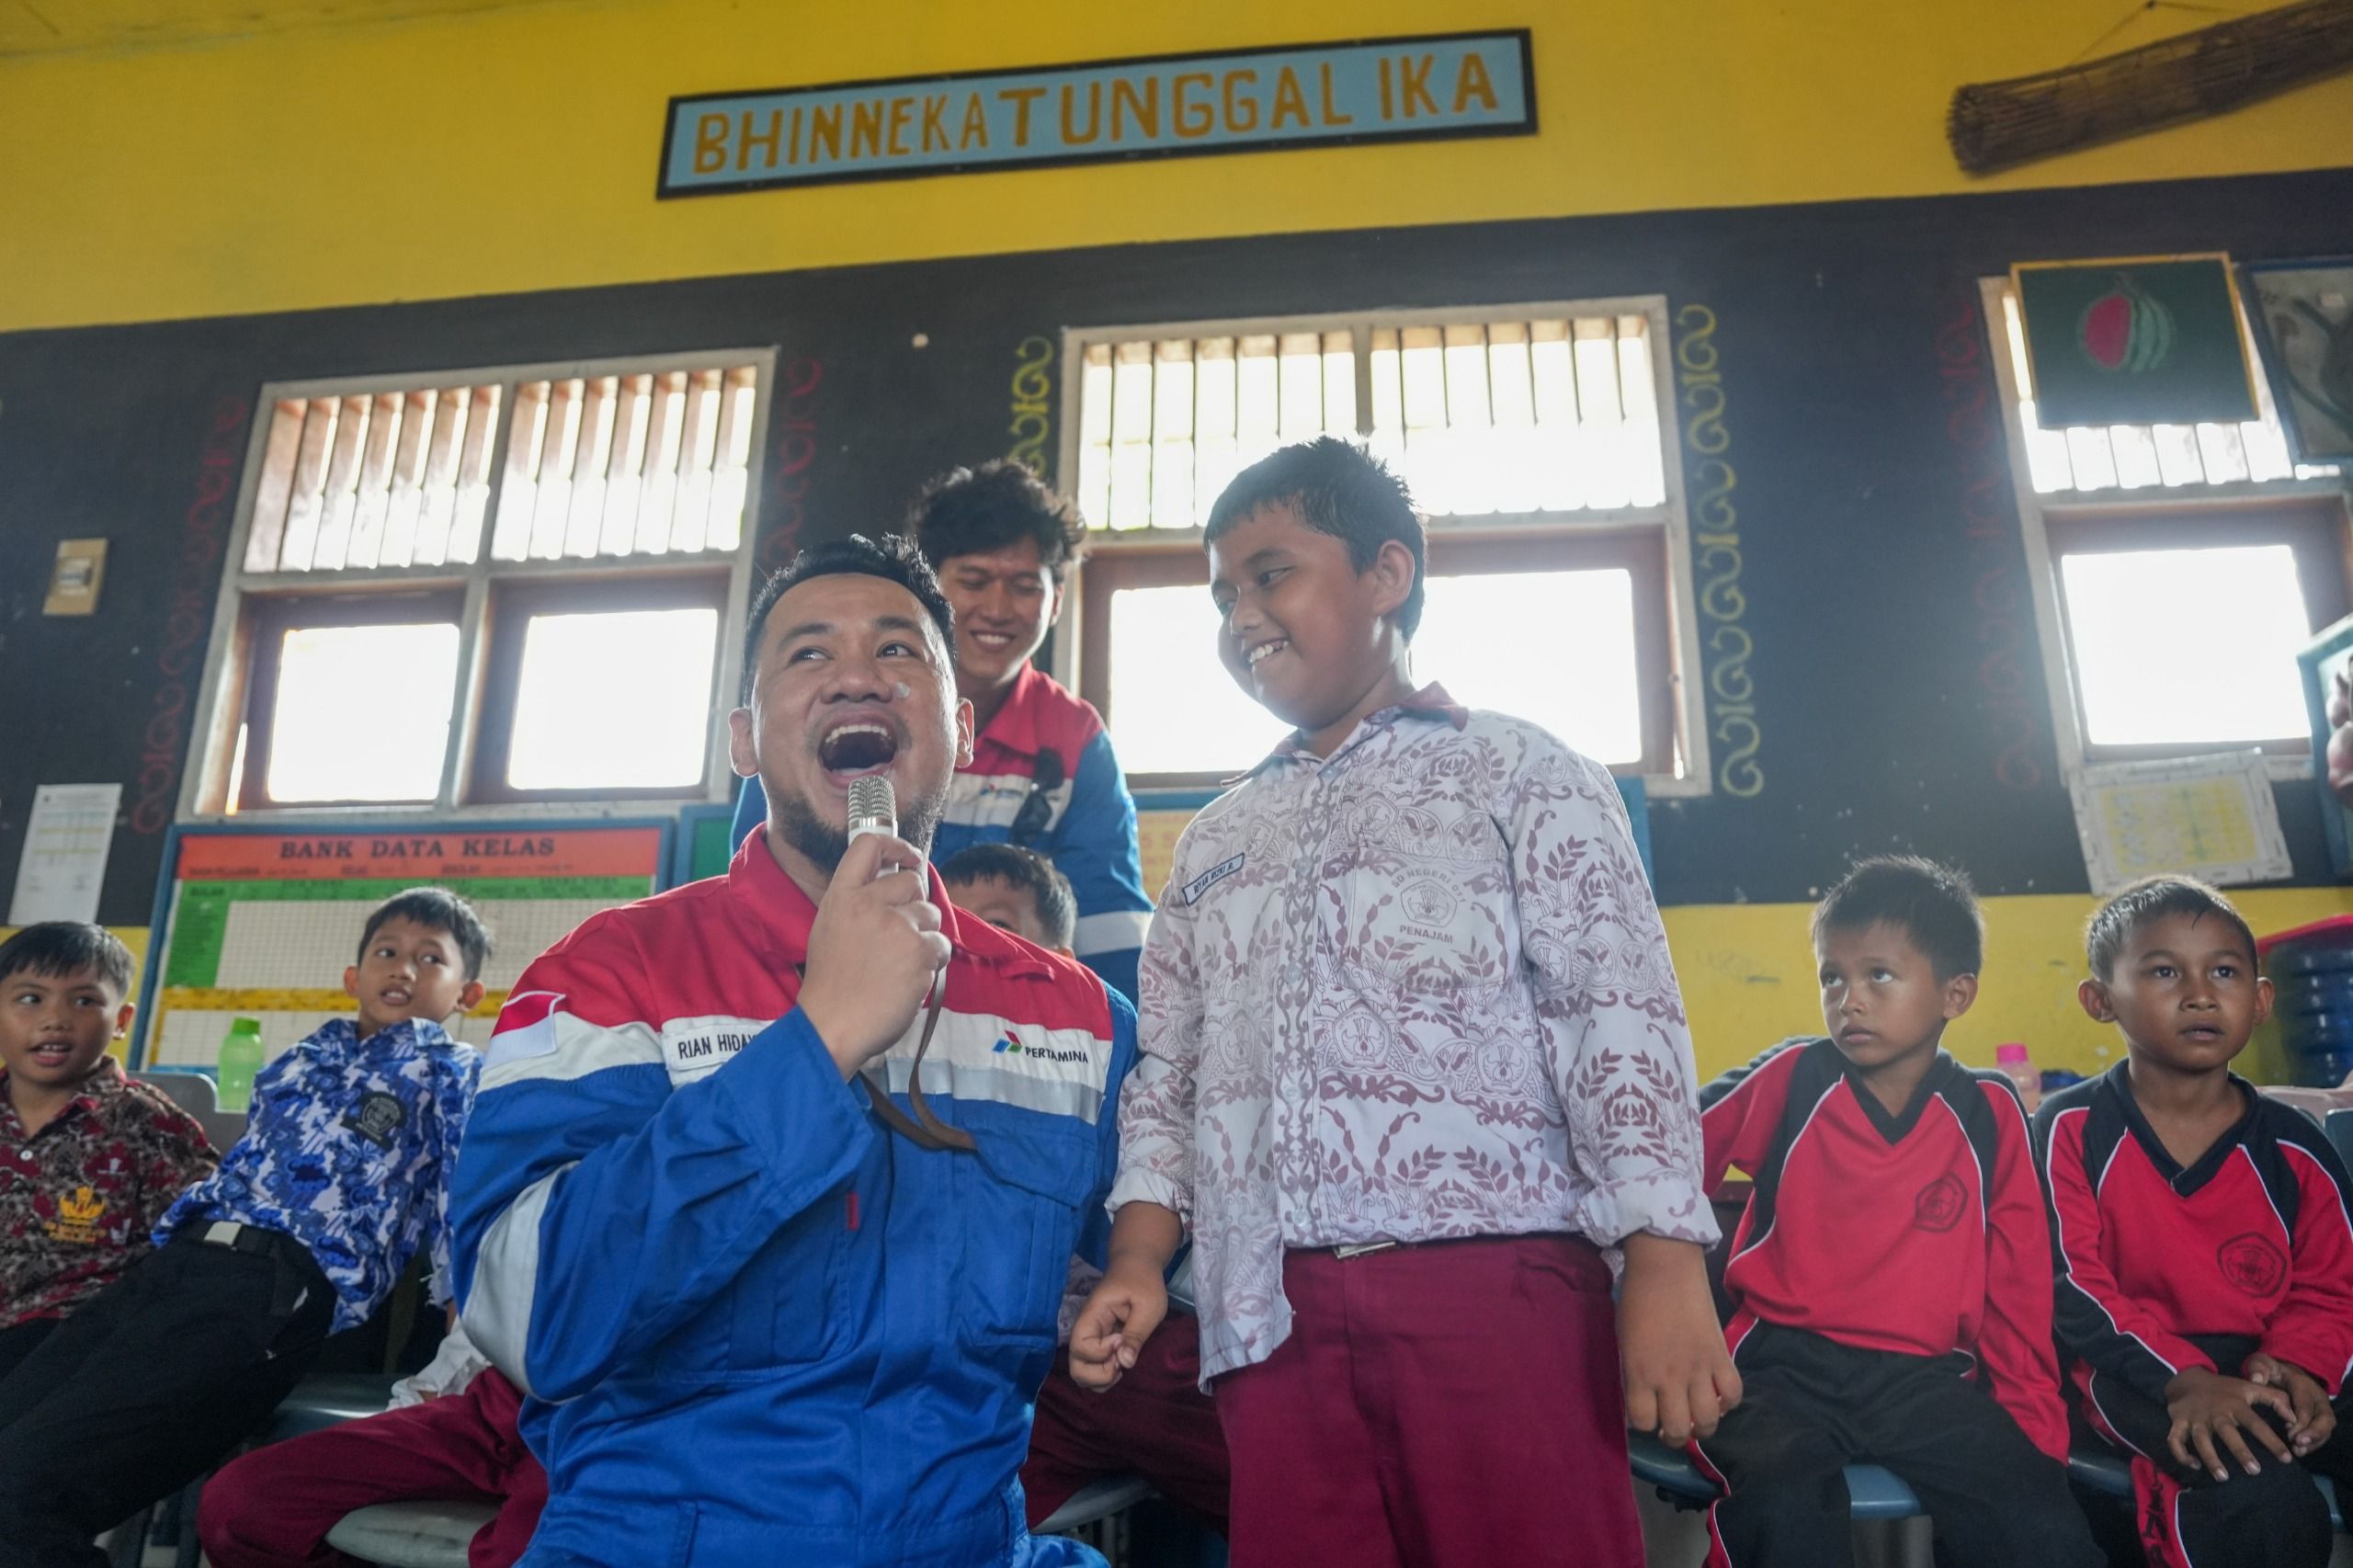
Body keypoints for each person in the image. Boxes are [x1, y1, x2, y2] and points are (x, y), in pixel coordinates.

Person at [1067, 437, 1733, 1568]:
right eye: (1222, 592)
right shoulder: (1218, 838)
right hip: (1260, 1311)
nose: (1241, 614)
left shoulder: (1522, 772)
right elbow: (1168, 1073)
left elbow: (1614, 1015)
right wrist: (1139, 1256)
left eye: (1271, 573)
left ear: (1387, 572)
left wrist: (1664, 1261)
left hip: (1495, 1291)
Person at [451, 534, 1136, 1568]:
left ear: (956, 728)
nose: (858, 674)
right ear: (743, 738)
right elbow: (529, 1312)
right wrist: (815, 1044)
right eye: (808, 655)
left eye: (900, 652)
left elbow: (1165, 1252)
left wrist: (1116, 1285)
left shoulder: (1078, 1016)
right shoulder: (611, 973)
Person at [0, 888, 488, 1568]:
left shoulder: (454, 1074)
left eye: (430, 959)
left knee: (25, 1491)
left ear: (468, 993)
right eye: (386, 953)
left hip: (273, 1283)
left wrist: (460, 1345)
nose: (402, 970)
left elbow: (460, 1208)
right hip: (178, 1263)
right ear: (353, 978)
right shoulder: (299, 1062)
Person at [1688, 858, 2099, 1568]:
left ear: (1956, 993)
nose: (1849, 999)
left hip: (1927, 1381)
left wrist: (2033, 1425)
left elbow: (2018, 1282)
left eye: (1879, 975)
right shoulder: (1792, 1078)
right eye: (1832, 976)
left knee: (2036, 1520)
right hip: (1777, 1370)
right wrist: (1675, 1339)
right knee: (1784, 1506)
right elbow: (1662, 1161)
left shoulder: (1990, 1112)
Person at [733, 462, 1153, 1001]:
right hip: (821, 1001)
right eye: (974, 581)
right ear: (928, 586)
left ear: (1057, 601)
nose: (997, 610)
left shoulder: (1074, 738)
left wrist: (1109, 1054)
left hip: (1011, 1028)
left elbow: (1110, 927)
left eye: (1024, 586)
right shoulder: (822, 719)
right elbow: (759, 885)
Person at [2039, 876, 2353, 1568]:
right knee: (2255, 1491)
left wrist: (2303, 1365)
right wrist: (2185, 1378)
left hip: (2273, 1361)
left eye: (2224, 971)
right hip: (2132, 1371)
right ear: (2100, 1001)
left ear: (2261, 1000)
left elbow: (2334, 1287)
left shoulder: (2298, 1146)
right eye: (2162, 971)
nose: (2200, 993)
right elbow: (2070, 1285)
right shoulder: (2070, 1129)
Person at [938, 844, 1230, 1534]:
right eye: (950, 924)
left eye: (1000, 924)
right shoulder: (898, 1042)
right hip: (981, 1365)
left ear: (1065, 958)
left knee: (1248, 1426)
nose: (971, 945)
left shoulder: (1109, 1033)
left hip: (1112, 1333)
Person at [0, 924, 216, 1382]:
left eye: (84, 1001)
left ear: (121, 1021)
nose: (55, 1018)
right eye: (30, 998)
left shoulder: (150, 1124)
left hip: (74, 1339)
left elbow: (198, 1257)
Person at [197, 1312, 547, 1568]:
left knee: (533, 1553)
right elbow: (474, 1310)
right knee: (241, 1505)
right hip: (495, 1397)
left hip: (587, 1409)